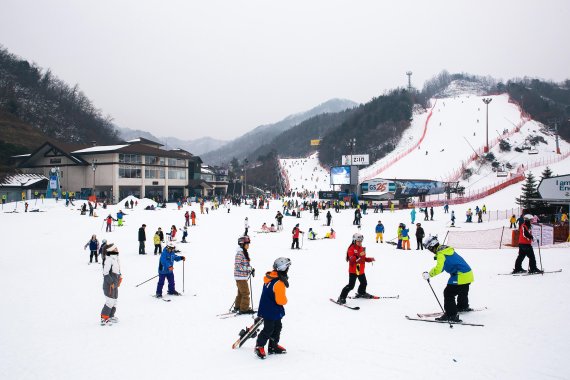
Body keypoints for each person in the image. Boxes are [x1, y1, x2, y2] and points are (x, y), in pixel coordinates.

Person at [422, 235, 474, 322]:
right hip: (468, 274)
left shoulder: (440, 253)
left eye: (429, 249)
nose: (430, 251)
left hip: (460, 275)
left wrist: (429, 274)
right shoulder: (446, 250)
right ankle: (463, 306)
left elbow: (439, 268)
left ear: (432, 246)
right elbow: (443, 267)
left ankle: (451, 315)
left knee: (448, 293)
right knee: (463, 290)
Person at [254, 257, 291, 359]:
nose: (288, 269)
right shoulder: (279, 283)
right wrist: (285, 300)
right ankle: (259, 346)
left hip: (268, 307)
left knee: (277, 327)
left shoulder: (270, 277)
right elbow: (281, 301)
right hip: (271, 309)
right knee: (269, 329)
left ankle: (273, 346)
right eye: (287, 267)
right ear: (283, 269)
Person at [337, 233, 375, 304]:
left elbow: (363, 258)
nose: (360, 242)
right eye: (358, 241)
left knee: (364, 283)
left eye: (361, 241)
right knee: (351, 286)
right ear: (354, 241)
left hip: (360, 269)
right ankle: (341, 297)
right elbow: (352, 259)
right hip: (353, 269)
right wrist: (359, 256)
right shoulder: (351, 249)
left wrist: (369, 259)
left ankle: (361, 292)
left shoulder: (361, 248)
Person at [100, 244, 122, 325]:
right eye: (115, 248)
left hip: (115, 284)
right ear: (111, 250)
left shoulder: (115, 258)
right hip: (109, 285)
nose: (117, 249)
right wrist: (111, 282)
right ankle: (104, 318)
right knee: (110, 301)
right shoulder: (109, 259)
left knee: (115, 300)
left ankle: (110, 316)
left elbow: (118, 271)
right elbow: (105, 273)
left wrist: (120, 278)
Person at [234, 235, 255, 314]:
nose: (248, 246)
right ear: (242, 244)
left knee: (241, 293)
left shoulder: (243, 253)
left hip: (241, 277)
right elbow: (238, 266)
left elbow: (245, 265)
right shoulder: (240, 254)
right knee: (246, 293)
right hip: (240, 277)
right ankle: (244, 309)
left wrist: (250, 269)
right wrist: (248, 269)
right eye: (247, 244)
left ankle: (238, 306)